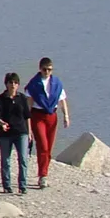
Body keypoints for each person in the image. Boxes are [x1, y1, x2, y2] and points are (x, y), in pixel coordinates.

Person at [24, 57, 71, 188]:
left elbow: (62, 100)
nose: (47, 72)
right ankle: (42, 175)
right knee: (43, 146)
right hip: (38, 116)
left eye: (49, 70)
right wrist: (27, 124)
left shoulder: (56, 83)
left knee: (49, 148)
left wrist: (66, 116)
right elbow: (28, 105)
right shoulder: (34, 84)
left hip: (52, 116)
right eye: (44, 70)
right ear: (40, 69)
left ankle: (44, 173)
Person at [0, 72, 31, 194]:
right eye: (11, 82)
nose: (13, 85)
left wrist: (30, 133)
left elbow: (27, 116)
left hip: (21, 133)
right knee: (6, 160)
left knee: (23, 159)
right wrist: (2, 123)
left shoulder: (22, 98)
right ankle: (7, 186)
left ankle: (23, 186)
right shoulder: (1, 99)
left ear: (18, 85)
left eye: (15, 82)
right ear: (6, 84)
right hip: (6, 135)